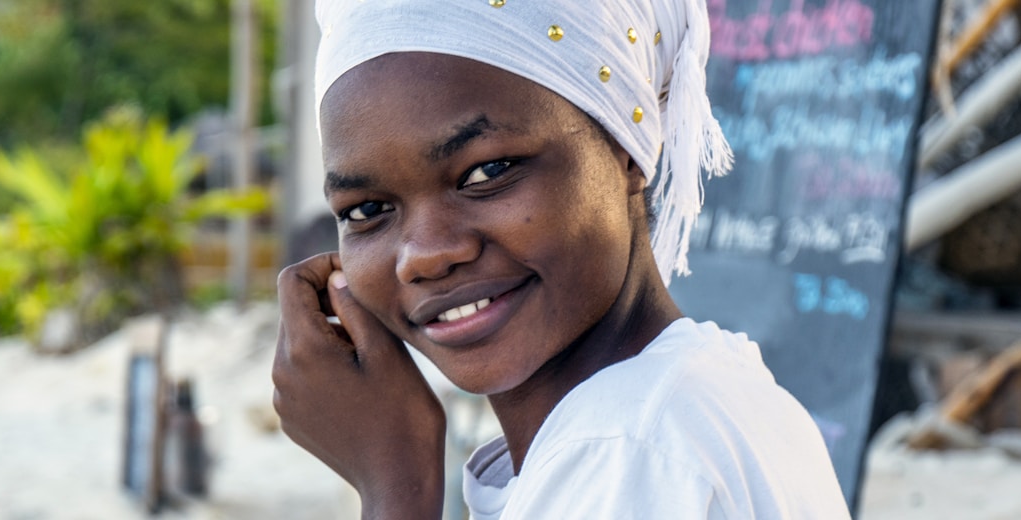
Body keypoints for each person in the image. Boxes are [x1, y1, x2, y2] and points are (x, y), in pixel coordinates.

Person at [272, 0, 851, 518]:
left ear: (627, 147)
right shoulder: (692, 403)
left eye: (487, 172)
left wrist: (395, 486)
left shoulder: (628, 455)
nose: (425, 255)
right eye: (367, 209)